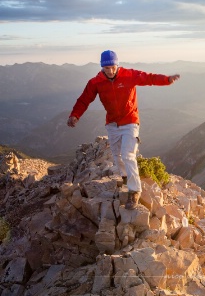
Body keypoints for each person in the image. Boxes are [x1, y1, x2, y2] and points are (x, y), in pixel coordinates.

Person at [67, 50, 180, 210]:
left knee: (128, 155)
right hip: (112, 124)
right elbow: (84, 99)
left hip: (130, 121)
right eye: (107, 68)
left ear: (117, 64)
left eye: (113, 67)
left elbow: (149, 78)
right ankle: (126, 177)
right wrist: (75, 115)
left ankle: (134, 191)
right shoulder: (95, 82)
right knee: (117, 155)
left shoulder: (129, 75)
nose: (110, 71)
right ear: (102, 67)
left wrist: (167, 80)